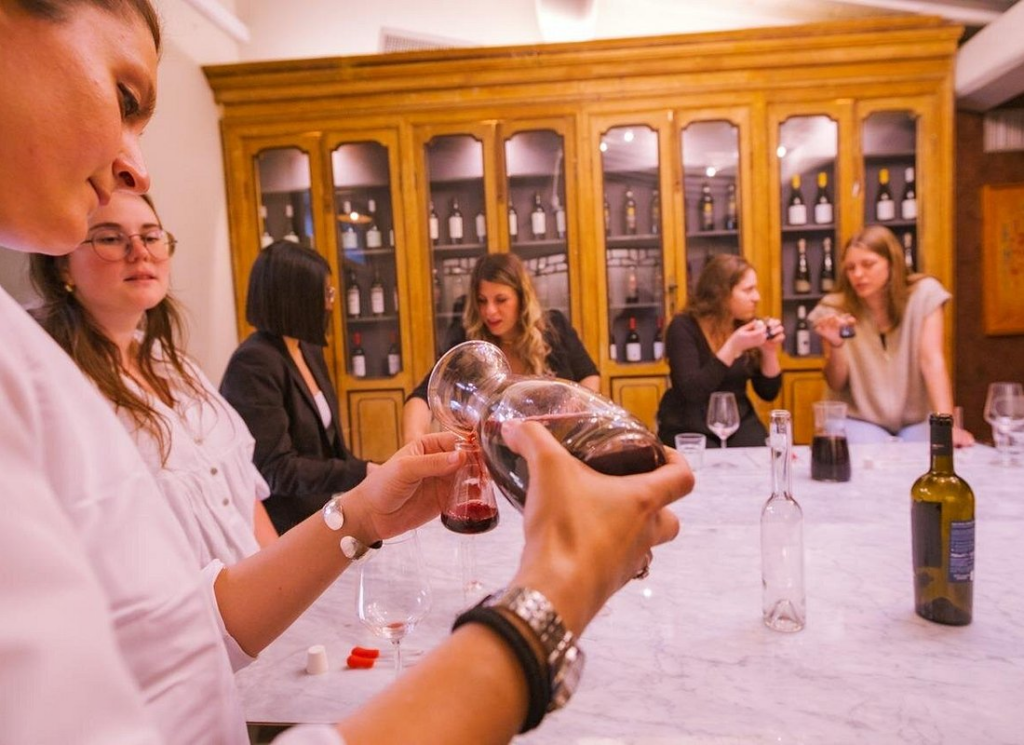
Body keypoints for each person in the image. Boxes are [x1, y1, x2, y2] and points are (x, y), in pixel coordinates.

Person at [0, 3, 691, 743]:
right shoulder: (46, 370)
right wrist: (553, 594)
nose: (137, 165)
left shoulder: (64, 360)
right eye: (127, 98)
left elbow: (175, 638)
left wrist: (362, 514)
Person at [30, 192, 278, 565]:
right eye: (110, 238)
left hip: (262, 601)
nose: (140, 253)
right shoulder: (62, 387)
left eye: (150, 236)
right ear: (63, 266)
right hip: (183, 617)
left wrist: (287, 597)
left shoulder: (175, 366)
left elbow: (244, 495)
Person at [220, 242, 373, 533]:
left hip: (321, 512)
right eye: (326, 293)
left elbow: (329, 447)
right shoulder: (254, 363)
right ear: (296, 299)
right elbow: (276, 470)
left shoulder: (307, 348)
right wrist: (361, 471)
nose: (331, 303)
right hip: (283, 528)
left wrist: (364, 475)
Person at [404, 252, 600, 442]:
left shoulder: (554, 327)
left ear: (522, 299)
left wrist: (575, 409)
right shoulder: (468, 342)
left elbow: (589, 374)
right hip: (497, 452)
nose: (489, 311)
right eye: (482, 301)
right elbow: (424, 397)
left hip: (558, 445)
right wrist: (414, 440)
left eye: (501, 300)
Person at [809, 225, 974, 446]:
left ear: (892, 263)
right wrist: (836, 345)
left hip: (916, 420)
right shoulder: (833, 309)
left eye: (868, 264)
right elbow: (836, 382)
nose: (858, 274)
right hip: (860, 420)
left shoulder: (925, 294)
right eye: (850, 268)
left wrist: (948, 427)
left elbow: (931, 361)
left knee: (933, 460)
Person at [657, 254, 784, 448]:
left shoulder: (746, 324)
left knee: (760, 456)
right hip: (688, 423)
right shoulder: (683, 327)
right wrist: (733, 347)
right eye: (748, 290)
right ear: (722, 294)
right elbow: (692, 391)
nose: (757, 297)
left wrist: (769, 351)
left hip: (738, 421)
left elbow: (768, 392)